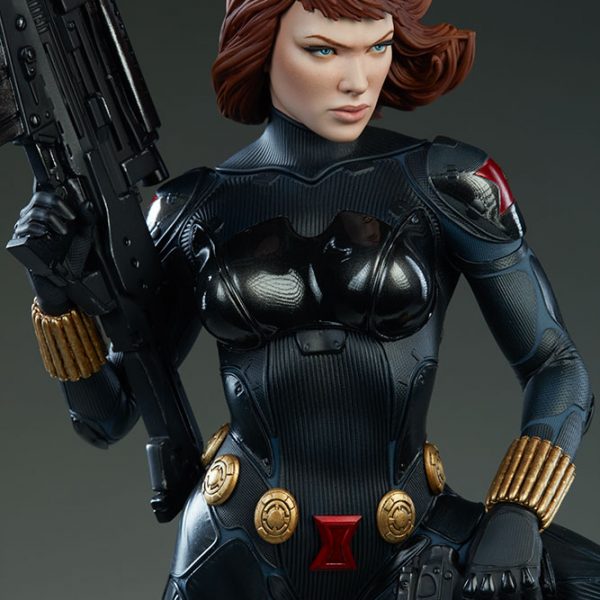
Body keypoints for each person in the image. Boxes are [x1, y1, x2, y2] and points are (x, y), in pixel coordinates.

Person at [11, 1, 599, 599]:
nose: (358, 80)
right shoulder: (193, 208)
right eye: (323, 49)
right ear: (262, 45)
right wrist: (53, 290)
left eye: (377, 46)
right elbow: (105, 416)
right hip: (235, 545)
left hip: (412, 539)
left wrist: (517, 511)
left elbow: (556, 366)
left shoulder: (450, 183)